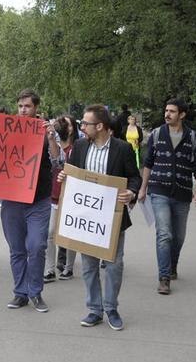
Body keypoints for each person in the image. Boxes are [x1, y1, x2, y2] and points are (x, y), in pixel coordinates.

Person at [57, 105, 141, 331]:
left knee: (114, 265)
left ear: (100, 126)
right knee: (88, 266)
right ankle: (95, 309)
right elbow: (73, 172)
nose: (82, 127)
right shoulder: (81, 146)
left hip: (112, 219)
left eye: (86, 124)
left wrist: (131, 192)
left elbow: (134, 177)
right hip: (87, 218)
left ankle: (111, 308)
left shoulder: (122, 149)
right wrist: (65, 175)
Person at [138, 98, 196, 295]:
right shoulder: (157, 134)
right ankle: (164, 277)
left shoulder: (193, 137)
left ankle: (172, 264)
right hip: (158, 191)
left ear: (182, 114)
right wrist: (143, 188)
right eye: (166, 110)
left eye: (172, 111)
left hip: (183, 193)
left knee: (178, 237)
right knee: (164, 234)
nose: (167, 114)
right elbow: (148, 163)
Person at [1, 89, 63, 313]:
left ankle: (35, 292)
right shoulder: (7, 129)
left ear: (36, 108)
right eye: (20, 106)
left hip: (38, 200)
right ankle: (20, 293)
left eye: (27, 106)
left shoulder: (46, 131)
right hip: (12, 200)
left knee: (36, 246)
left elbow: (57, 161)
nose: (23, 110)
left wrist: (51, 139)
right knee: (17, 249)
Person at [44, 115, 78, 283]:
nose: (62, 125)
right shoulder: (55, 145)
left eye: (66, 123)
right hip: (54, 196)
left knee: (69, 234)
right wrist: (51, 139)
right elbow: (56, 162)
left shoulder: (78, 148)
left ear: (72, 128)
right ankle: (49, 269)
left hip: (71, 197)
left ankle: (68, 268)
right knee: (49, 233)